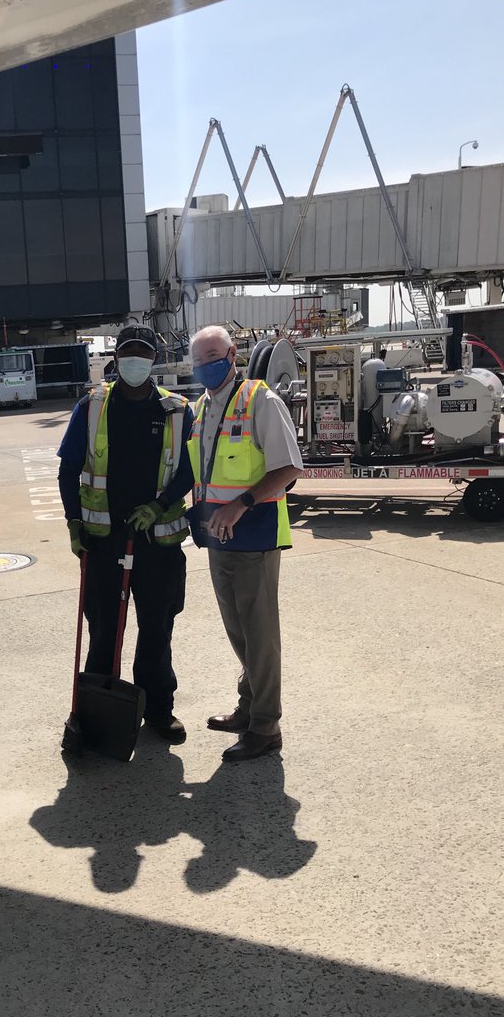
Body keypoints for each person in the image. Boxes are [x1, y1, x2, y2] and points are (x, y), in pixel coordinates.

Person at [58, 325, 194, 744]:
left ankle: (158, 710)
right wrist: (73, 522)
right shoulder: (93, 406)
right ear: (115, 359)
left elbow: (191, 468)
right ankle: (98, 712)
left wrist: (160, 503)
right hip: (104, 540)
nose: (135, 359)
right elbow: (68, 467)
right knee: (103, 630)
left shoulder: (177, 410)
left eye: (143, 352)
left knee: (156, 629)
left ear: (154, 359)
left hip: (158, 542)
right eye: (127, 352)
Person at [188, 325, 304, 762]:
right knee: (238, 632)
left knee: (259, 635)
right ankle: (248, 705)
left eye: (213, 356)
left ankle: (265, 726)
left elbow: (289, 468)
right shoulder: (203, 407)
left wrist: (241, 505)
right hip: (218, 539)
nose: (206, 367)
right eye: (198, 361)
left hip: (254, 536)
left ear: (232, 354)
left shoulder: (261, 401)